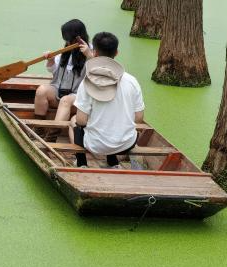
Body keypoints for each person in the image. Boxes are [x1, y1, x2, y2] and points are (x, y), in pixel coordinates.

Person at [68, 32, 145, 169]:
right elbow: (139, 118)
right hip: (126, 143)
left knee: (74, 121)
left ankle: (81, 163)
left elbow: (81, 121)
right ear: (117, 52)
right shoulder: (132, 81)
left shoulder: (86, 82)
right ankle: (113, 163)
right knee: (114, 122)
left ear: (94, 52)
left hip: (96, 146)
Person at [34, 19, 90, 123]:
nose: (67, 42)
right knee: (41, 90)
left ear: (78, 37)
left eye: (69, 39)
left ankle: (54, 131)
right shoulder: (66, 50)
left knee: (65, 100)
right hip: (59, 92)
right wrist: (51, 60)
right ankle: (38, 127)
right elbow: (53, 70)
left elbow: (98, 72)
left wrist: (89, 56)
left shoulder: (90, 51)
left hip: (78, 101)